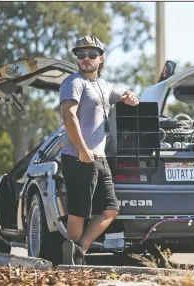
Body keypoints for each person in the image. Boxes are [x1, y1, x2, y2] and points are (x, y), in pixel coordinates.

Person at [59, 35, 139, 265]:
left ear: (100, 58)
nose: (86, 59)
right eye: (81, 55)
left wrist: (130, 95)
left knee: (111, 209)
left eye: (91, 55)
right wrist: (83, 150)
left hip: (99, 157)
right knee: (78, 212)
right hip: (77, 157)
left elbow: (122, 93)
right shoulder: (74, 82)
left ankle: (79, 251)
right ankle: (70, 263)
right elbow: (68, 115)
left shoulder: (104, 86)